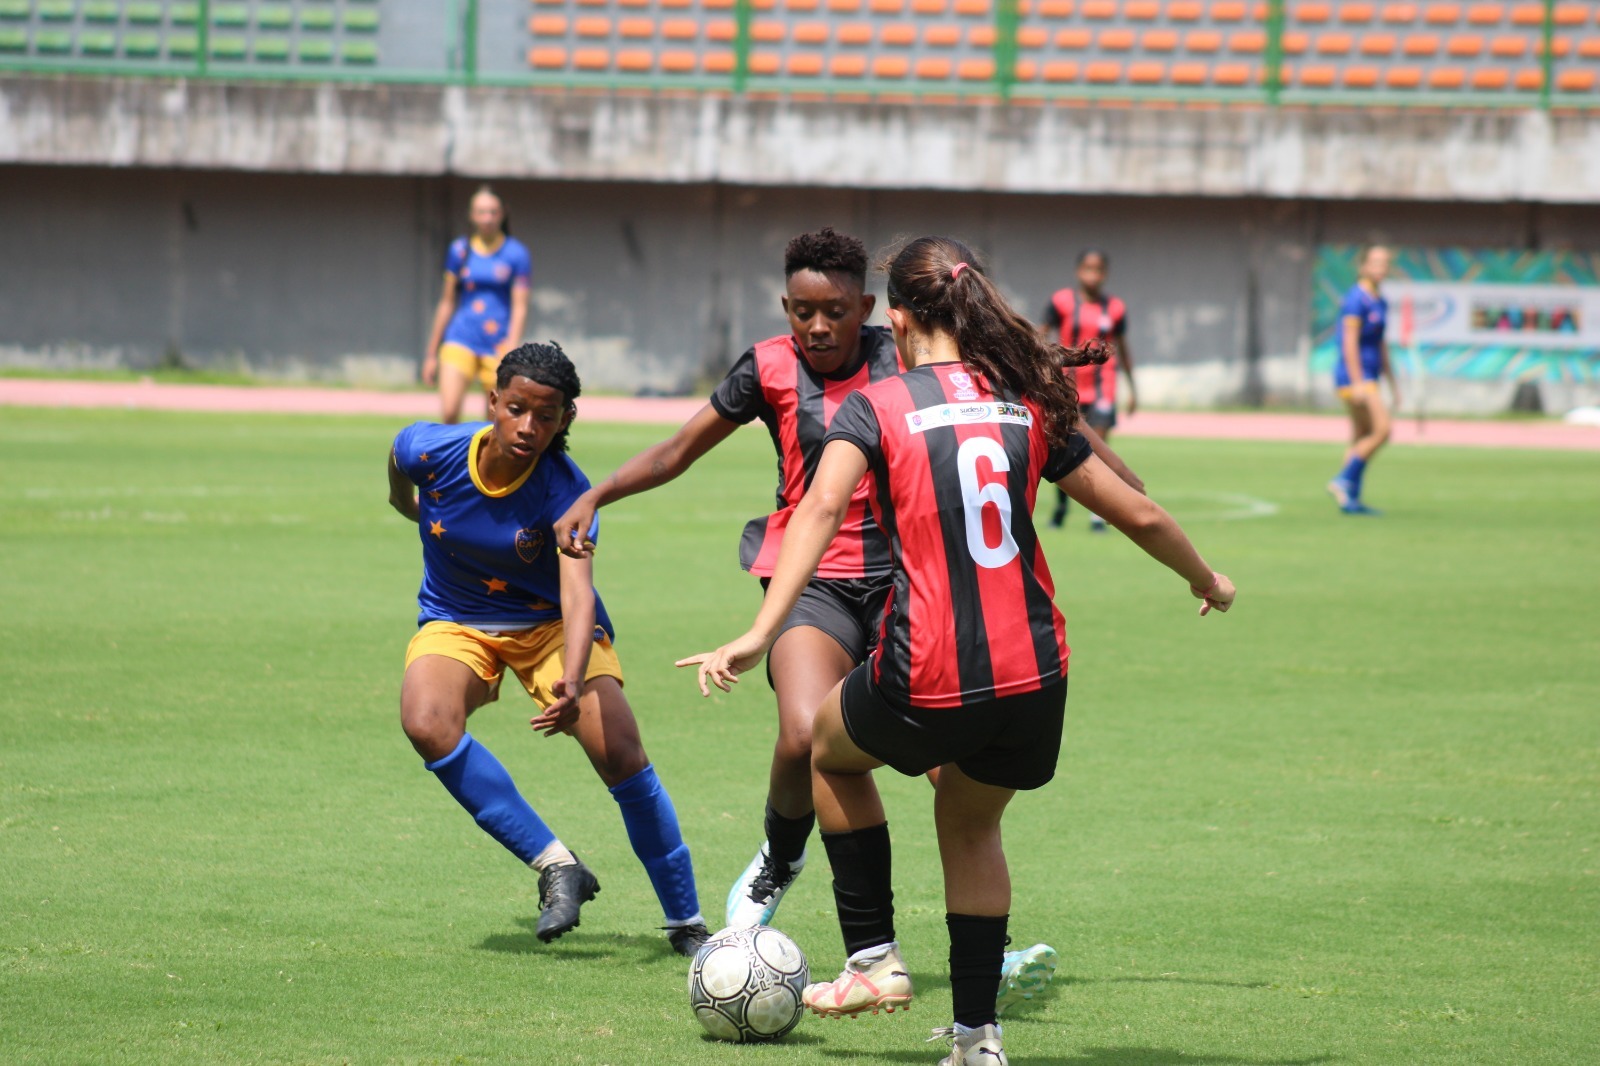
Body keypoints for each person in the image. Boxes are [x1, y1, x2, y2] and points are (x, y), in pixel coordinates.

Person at [553, 228, 1140, 1014]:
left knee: (950, 768)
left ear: (870, 308)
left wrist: (1134, 492)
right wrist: (598, 493)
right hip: (813, 582)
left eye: (833, 311)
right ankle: (784, 859)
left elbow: (1069, 436)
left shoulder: (911, 354)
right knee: (805, 731)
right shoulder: (766, 368)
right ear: (785, 309)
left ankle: (983, 950)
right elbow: (680, 450)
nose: (817, 327)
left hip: (911, 584)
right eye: (801, 311)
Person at [680, 237, 1235, 1066]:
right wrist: (1208, 578)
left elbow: (821, 512)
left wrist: (762, 630)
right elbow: (1140, 515)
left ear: (896, 319)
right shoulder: (1025, 401)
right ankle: (978, 1041)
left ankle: (872, 960)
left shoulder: (878, 405)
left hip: (929, 667)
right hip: (1036, 675)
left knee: (825, 751)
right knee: (972, 827)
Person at [387, 341, 709, 956]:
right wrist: (404, 504)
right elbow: (398, 463)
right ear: (493, 402)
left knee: (618, 751)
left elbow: (578, 596)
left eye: (546, 415)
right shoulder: (431, 448)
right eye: (516, 409)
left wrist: (573, 682)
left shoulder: (567, 490)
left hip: (552, 627)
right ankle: (558, 865)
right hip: (458, 618)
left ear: (565, 420)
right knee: (425, 722)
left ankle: (686, 922)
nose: (528, 427)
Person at [1041, 249, 1137, 531]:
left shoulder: (1115, 308)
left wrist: (1133, 387)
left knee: (1100, 445)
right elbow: (1040, 337)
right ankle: (1061, 506)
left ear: (1104, 274)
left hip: (1103, 387)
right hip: (1067, 387)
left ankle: (1099, 514)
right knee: (1065, 444)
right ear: (1078, 271)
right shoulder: (1061, 302)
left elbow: (1124, 348)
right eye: (1087, 268)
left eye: (1098, 269)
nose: (1092, 275)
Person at [422, 186, 531, 424]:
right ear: (471, 215)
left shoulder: (516, 254)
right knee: (449, 413)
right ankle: (452, 461)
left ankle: (479, 462)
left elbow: (520, 306)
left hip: (498, 342)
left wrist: (512, 348)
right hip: (461, 338)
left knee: (493, 422)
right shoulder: (459, 251)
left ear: (503, 214)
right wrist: (431, 354)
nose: (487, 218)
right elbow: (447, 302)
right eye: (481, 212)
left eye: (493, 212)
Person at [1327, 244, 1398, 515]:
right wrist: (1357, 382)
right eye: (1375, 262)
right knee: (1382, 430)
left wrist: (1393, 382)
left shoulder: (1380, 299)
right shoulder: (1356, 299)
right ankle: (1344, 480)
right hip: (1356, 376)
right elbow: (1349, 343)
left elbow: (1380, 345)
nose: (1380, 268)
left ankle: (1350, 500)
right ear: (1363, 266)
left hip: (1371, 375)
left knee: (1361, 437)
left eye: (1385, 263)